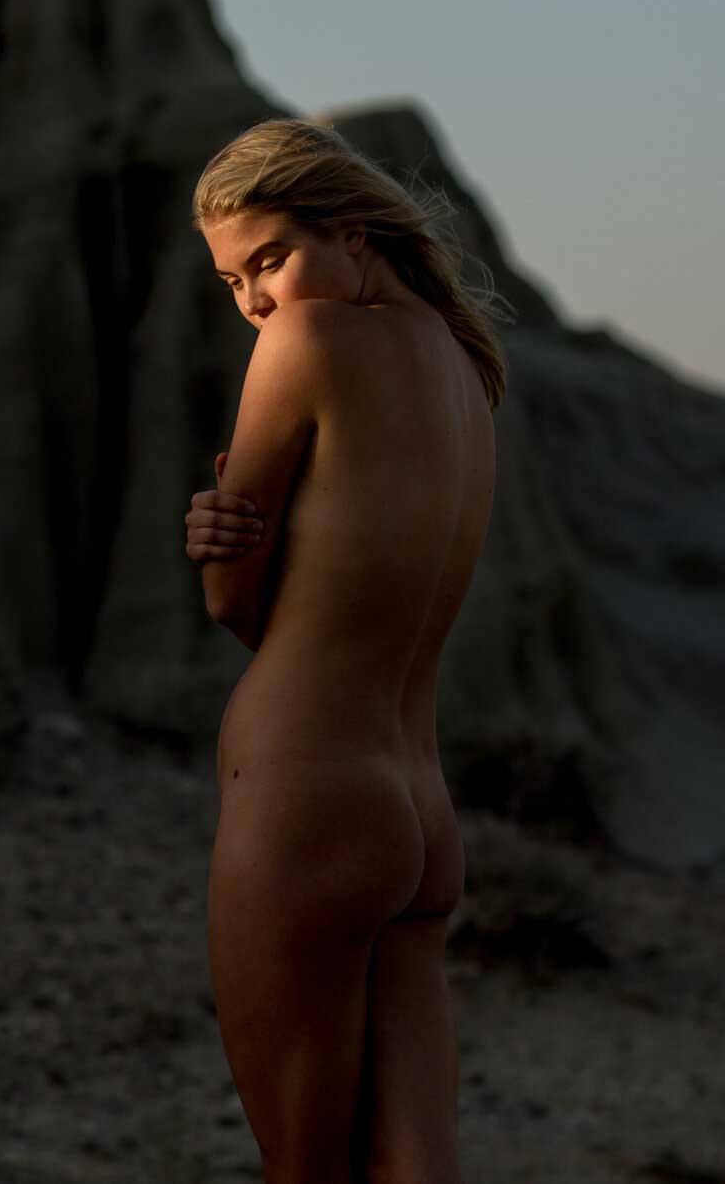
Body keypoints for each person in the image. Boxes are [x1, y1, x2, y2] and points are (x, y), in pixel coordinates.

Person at [182, 117, 505, 1184]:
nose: (256, 301)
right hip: (419, 810)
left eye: (270, 259)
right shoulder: (464, 373)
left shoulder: (305, 342)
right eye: (234, 281)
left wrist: (220, 539)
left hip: (306, 796)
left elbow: (238, 603)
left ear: (353, 230)